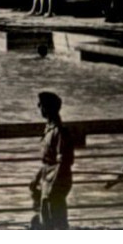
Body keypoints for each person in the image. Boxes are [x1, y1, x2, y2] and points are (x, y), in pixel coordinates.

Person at [31, 92, 75, 230]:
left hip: (57, 180)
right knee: (46, 219)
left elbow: (64, 161)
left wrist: (53, 187)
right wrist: (37, 178)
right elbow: (47, 159)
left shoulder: (60, 132)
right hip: (48, 179)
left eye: (41, 105)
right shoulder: (49, 129)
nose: (39, 108)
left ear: (47, 108)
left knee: (58, 220)